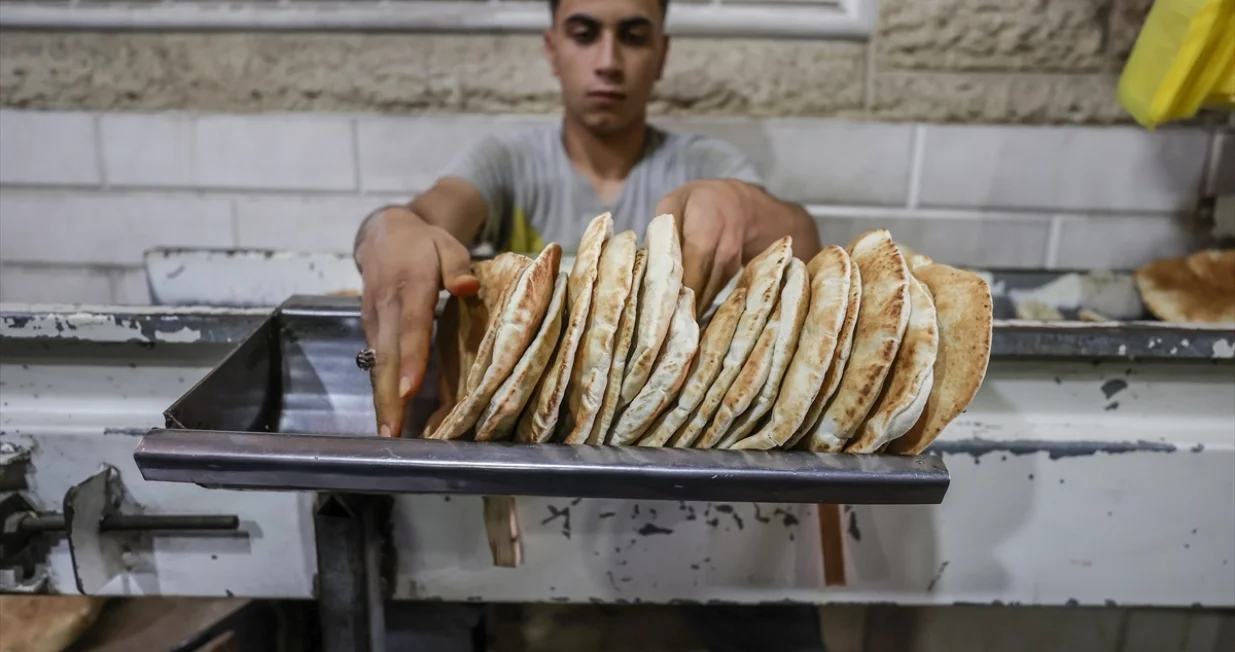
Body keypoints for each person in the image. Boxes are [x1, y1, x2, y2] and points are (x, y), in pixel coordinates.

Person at [354, 0, 826, 649]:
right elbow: (433, 213)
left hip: (682, 488)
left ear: (661, 53)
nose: (608, 61)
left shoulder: (701, 163)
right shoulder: (508, 163)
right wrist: (388, 229)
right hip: (529, 493)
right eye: (584, 33)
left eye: (632, 35)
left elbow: (802, 238)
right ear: (553, 48)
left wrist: (747, 209)